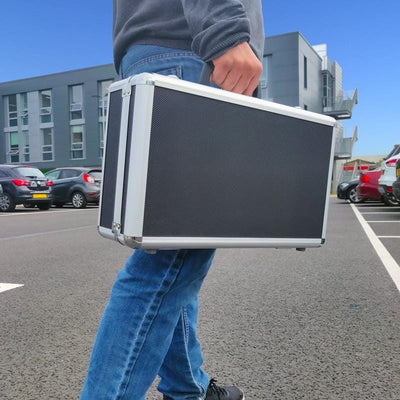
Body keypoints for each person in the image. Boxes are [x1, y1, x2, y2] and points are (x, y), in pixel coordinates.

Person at [80, 1, 264, 399]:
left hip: (156, 58)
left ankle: (187, 388)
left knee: (173, 259)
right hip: (193, 55)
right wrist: (225, 30)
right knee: (172, 260)